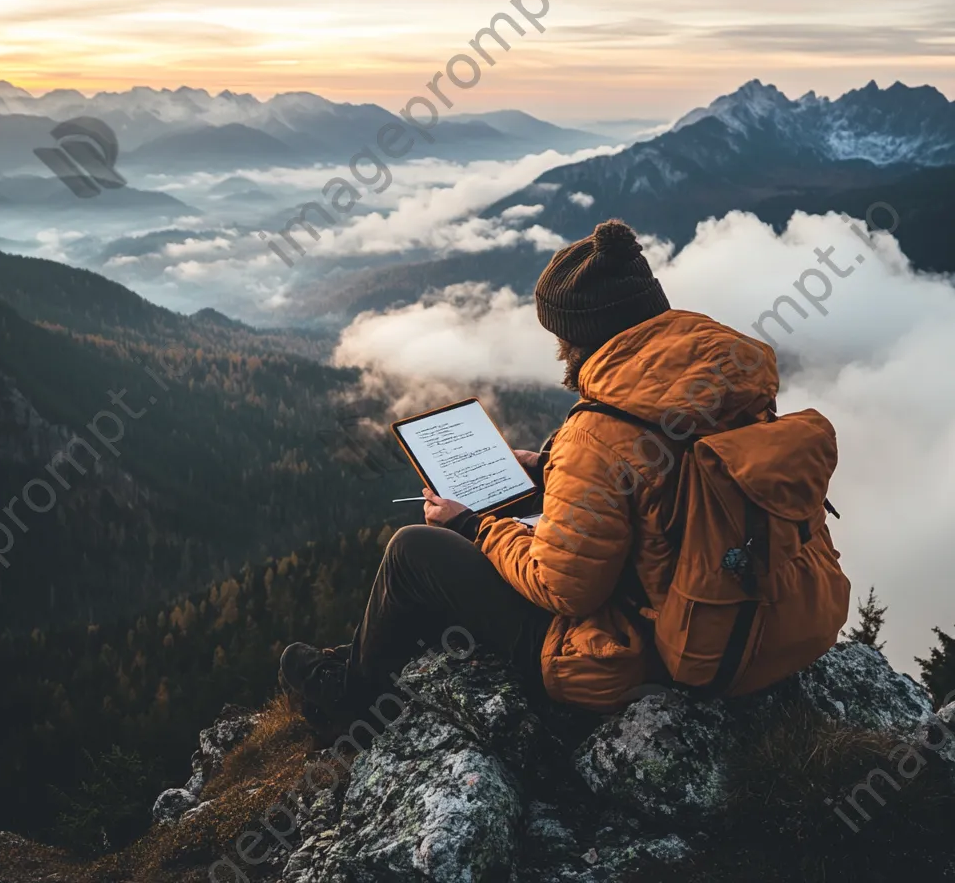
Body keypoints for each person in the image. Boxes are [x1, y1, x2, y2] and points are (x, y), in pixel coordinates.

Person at [280, 218, 810, 723]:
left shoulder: (599, 432)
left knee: (412, 552)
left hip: (629, 655)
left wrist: (475, 526)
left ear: (578, 337)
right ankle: (362, 655)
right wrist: (554, 468)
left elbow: (564, 590)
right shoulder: (731, 379)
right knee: (534, 486)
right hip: (752, 620)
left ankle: (351, 700)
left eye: (559, 336)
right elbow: (669, 489)